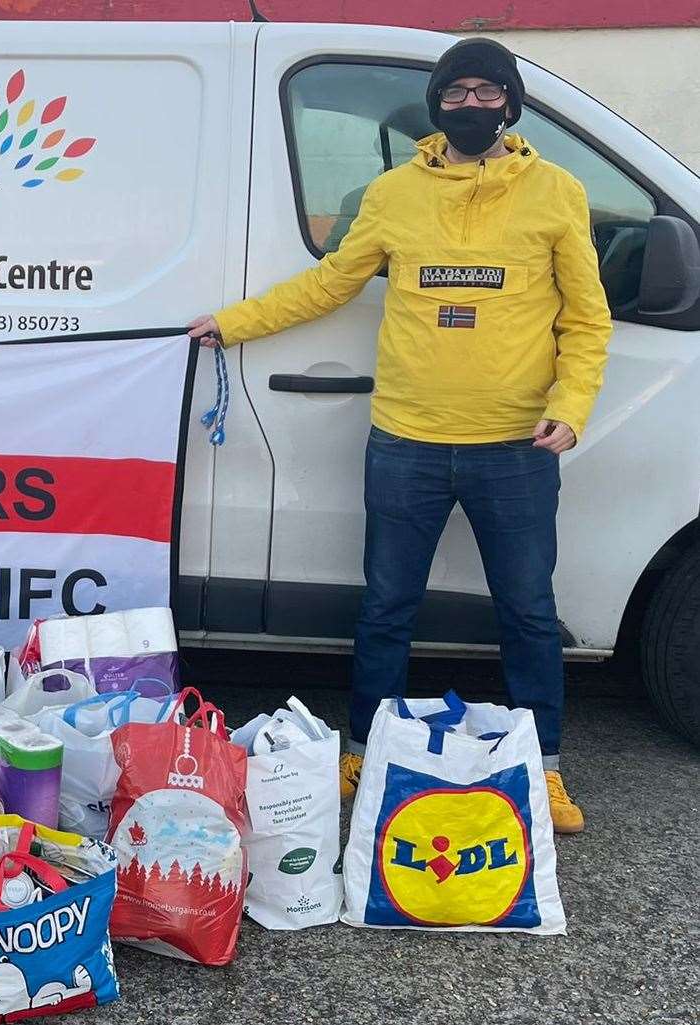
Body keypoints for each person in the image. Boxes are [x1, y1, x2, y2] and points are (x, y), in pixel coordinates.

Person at [187, 38, 610, 833]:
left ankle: (541, 766)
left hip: (516, 447)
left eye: (488, 93)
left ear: (511, 106)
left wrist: (572, 403)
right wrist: (233, 323)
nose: (472, 106)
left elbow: (587, 320)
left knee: (526, 610)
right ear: (437, 105)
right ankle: (363, 746)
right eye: (457, 93)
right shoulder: (392, 193)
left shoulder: (556, 192)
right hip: (406, 442)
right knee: (386, 607)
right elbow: (328, 283)